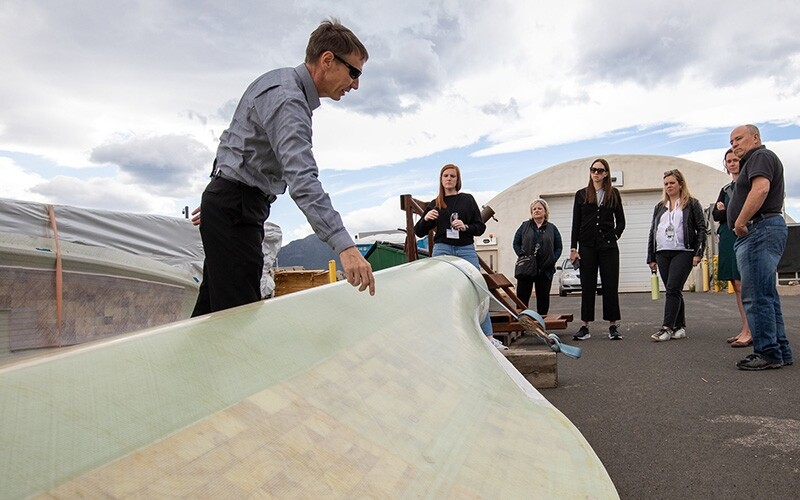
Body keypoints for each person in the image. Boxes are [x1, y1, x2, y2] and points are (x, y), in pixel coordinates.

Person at [192, 19, 374, 317]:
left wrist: (218, 189)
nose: (356, 84)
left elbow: (234, 139)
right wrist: (345, 246)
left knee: (210, 314)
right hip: (236, 210)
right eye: (353, 72)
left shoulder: (275, 82)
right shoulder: (289, 101)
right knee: (237, 320)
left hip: (229, 205)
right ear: (328, 60)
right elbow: (302, 178)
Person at [414, 164, 505, 350]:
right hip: (442, 249)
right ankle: (444, 336)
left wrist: (465, 227)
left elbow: (480, 228)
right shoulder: (435, 203)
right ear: (441, 179)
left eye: (452, 176)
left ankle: (489, 337)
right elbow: (418, 232)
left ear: (458, 179)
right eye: (445, 176)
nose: (449, 179)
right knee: (440, 291)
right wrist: (426, 219)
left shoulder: (467, 200)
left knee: (478, 289)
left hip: (465, 248)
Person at [727, 124, 793, 370]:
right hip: (762, 229)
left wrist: (741, 221)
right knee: (766, 295)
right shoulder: (755, 160)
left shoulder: (760, 156)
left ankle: (767, 352)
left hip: (758, 229)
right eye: (731, 141)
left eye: (739, 138)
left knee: (755, 296)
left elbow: (761, 188)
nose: (734, 144)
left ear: (755, 138)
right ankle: (780, 350)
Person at [646, 169, 706, 341]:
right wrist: (650, 256)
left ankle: (667, 328)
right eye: (666, 184)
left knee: (672, 288)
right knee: (674, 290)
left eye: (672, 183)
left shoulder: (692, 204)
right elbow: (653, 231)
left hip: (683, 251)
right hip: (662, 252)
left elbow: (701, 229)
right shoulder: (659, 207)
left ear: (680, 184)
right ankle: (680, 326)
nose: (669, 186)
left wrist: (698, 252)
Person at [570, 158, 626, 341]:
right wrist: (573, 248)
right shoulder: (581, 194)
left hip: (608, 247)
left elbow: (621, 221)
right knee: (588, 286)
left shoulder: (613, 194)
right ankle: (585, 326)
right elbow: (575, 224)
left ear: (606, 173)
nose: (596, 173)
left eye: (600, 170)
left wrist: (614, 235)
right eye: (593, 170)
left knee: (610, 285)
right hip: (587, 247)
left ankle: (612, 325)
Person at [711, 149, 752, 347]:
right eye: (729, 161)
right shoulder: (726, 188)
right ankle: (745, 327)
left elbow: (742, 209)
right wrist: (726, 213)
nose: (732, 163)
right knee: (736, 285)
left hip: (743, 235)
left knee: (746, 284)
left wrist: (725, 211)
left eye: (736, 160)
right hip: (727, 237)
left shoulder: (747, 184)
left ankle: (752, 330)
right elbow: (715, 215)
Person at [513, 199, 563, 315]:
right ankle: (521, 324)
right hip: (526, 268)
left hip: (545, 269)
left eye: (539, 208)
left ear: (545, 211)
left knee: (543, 298)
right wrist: (522, 256)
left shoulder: (552, 228)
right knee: (522, 297)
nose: (536, 211)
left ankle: (542, 324)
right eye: (534, 209)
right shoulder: (524, 226)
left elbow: (558, 247)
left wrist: (552, 259)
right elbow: (516, 243)